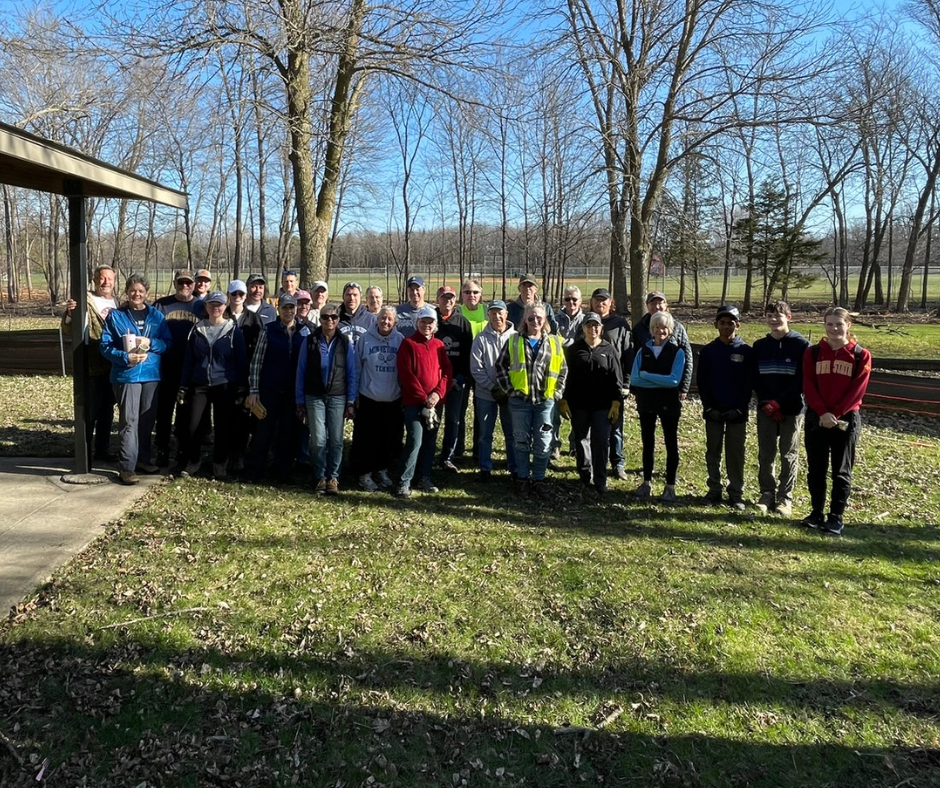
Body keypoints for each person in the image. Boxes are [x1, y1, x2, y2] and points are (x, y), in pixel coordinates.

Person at [800, 307, 872, 536]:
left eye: (838, 324)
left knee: (841, 470)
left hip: (846, 418)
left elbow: (857, 390)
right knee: (816, 468)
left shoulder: (861, 355)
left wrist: (837, 414)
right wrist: (822, 412)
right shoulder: (812, 353)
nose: (834, 329)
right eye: (829, 324)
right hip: (817, 418)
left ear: (848, 325)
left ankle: (836, 517)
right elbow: (808, 385)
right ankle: (816, 513)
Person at [99, 274, 171, 485]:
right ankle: (127, 467)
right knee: (129, 422)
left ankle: (143, 459)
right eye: (132, 290)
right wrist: (125, 357)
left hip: (151, 375)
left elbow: (167, 343)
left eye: (140, 291)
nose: (136, 294)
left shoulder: (156, 316)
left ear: (146, 293)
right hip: (126, 375)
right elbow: (105, 346)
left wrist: (151, 343)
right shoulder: (116, 316)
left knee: (147, 420)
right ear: (126, 292)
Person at [496, 302, 568, 500]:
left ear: (544, 320)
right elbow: (500, 366)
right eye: (530, 318)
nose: (535, 321)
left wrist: (557, 393)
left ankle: (539, 479)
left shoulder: (553, 342)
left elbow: (562, 369)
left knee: (544, 442)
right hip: (520, 402)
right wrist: (509, 390)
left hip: (545, 402)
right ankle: (522, 479)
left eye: (539, 318)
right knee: (520, 441)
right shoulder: (513, 341)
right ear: (524, 320)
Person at [179, 291, 249, 479]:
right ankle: (193, 461)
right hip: (199, 384)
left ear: (225, 307)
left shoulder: (232, 330)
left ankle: (219, 463)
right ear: (206, 307)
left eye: (219, 304)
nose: (215, 307)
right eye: (212, 304)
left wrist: (242, 386)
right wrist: (184, 385)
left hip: (224, 384)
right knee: (193, 426)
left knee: (223, 426)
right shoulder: (197, 329)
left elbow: (241, 360)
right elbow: (189, 359)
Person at [752, 300, 810, 517]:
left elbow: (801, 380)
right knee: (766, 453)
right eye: (770, 315)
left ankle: (785, 498)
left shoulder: (802, 345)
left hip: (792, 409)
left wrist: (781, 403)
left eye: (779, 315)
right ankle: (766, 493)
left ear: (789, 317)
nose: (774, 319)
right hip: (766, 408)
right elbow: (755, 378)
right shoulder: (759, 346)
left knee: (788, 454)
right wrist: (767, 402)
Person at [245, 294, 308, 483]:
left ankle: (283, 472)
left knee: (288, 433)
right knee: (263, 432)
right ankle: (254, 471)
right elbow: (256, 362)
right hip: (269, 389)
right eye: (285, 308)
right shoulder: (268, 330)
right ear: (278, 309)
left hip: (292, 391)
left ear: (296, 309)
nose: (288, 311)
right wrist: (254, 391)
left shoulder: (304, 332)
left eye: (292, 308)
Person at [296, 303, 357, 495]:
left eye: (333, 317)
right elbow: (301, 371)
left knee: (337, 440)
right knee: (318, 439)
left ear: (338, 320)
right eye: (325, 317)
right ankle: (320, 476)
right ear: (320, 319)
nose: (329, 320)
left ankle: (334, 477)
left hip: (338, 397)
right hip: (314, 396)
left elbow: (352, 372)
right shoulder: (310, 341)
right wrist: (299, 400)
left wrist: (351, 401)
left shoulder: (345, 342)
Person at [560, 312, 623, 499]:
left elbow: (616, 378)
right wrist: (564, 399)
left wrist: (616, 402)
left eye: (596, 326)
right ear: (583, 328)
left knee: (601, 441)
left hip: (602, 406)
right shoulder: (574, 350)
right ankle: (585, 473)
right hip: (579, 404)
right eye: (589, 325)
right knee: (581, 440)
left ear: (601, 328)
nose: (592, 329)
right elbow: (566, 377)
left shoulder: (609, 350)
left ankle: (600, 479)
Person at [697, 305, 752, 510]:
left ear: (737, 325)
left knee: (735, 453)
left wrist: (739, 408)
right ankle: (714, 490)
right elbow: (703, 382)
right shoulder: (709, 351)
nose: (726, 327)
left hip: (737, 413)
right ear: (716, 325)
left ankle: (736, 492)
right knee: (713, 451)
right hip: (714, 412)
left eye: (730, 323)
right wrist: (709, 407)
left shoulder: (745, 351)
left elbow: (749, 384)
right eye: (722, 323)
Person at [62, 264, 118, 464]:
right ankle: (84, 451)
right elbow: (68, 328)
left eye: (109, 279)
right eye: (102, 278)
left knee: (107, 410)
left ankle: (102, 449)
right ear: (94, 280)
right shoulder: (84, 300)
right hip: (92, 364)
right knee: (90, 409)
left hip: (112, 365)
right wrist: (69, 313)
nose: (106, 282)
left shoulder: (117, 303)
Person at [630, 311, 686, 503]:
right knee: (648, 443)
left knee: (671, 444)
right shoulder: (642, 350)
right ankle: (646, 482)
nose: (660, 331)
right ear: (651, 329)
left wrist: (646, 375)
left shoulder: (677, 352)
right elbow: (635, 379)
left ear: (670, 330)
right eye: (656, 327)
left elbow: (674, 380)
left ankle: (670, 486)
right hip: (646, 403)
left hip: (669, 404)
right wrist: (654, 380)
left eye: (664, 327)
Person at [396, 305, 452, 497]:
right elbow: (406, 375)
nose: (426, 326)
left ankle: (424, 477)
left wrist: (437, 395)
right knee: (415, 440)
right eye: (423, 322)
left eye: (430, 322)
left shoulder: (439, 345)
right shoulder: (408, 344)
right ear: (416, 322)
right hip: (414, 402)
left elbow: (446, 372)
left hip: (436, 403)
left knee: (430, 441)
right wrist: (424, 399)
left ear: (435, 325)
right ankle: (404, 481)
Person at [153, 269, 207, 467]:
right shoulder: (161, 305)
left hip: (191, 369)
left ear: (194, 285)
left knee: (186, 414)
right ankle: (162, 448)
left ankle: (183, 450)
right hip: (166, 367)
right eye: (181, 283)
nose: (185, 286)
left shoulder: (201, 306)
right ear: (175, 283)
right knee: (164, 412)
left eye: (188, 283)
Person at [354, 305, 404, 491]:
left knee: (386, 437)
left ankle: (381, 469)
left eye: (390, 319)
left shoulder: (400, 340)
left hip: (392, 398)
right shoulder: (365, 339)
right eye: (383, 318)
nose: (385, 321)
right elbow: (357, 367)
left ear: (395, 322)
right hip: (368, 397)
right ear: (377, 319)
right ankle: (364, 473)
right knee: (367, 438)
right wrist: (355, 395)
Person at [470, 300, 517, 482]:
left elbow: (519, 366)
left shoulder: (516, 337)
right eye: (493, 313)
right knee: (484, 434)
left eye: (500, 313)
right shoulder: (481, 339)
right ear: (488, 315)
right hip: (485, 395)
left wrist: (507, 389)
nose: (497, 316)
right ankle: (485, 467)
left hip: (510, 395)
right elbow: (476, 368)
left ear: (506, 315)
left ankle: (513, 466)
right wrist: (493, 387)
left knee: (511, 432)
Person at [590, 288, 632, 480]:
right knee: (592, 427)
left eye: (604, 300)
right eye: (597, 300)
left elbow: (628, 354)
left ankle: (618, 463)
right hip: (591, 383)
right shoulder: (586, 322)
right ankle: (592, 463)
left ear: (611, 302)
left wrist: (626, 382)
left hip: (613, 383)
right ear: (591, 302)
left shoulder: (620, 324)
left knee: (616, 427)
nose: (601, 303)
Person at [224, 279, 263, 472]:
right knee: (226, 417)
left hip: (246, 376)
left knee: (243, 418)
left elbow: (258, 348)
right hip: (224, 374)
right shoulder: (221, 315)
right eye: (234, 295)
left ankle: (240, 454)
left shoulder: (254, 319)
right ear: (229, 296)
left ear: (245, 296)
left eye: (241, 295)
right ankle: (225, 454)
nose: (237, 298)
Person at [435, 285, 474, 472]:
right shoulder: (430, 320)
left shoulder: (463, 323)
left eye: (451, 298)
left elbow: (468, 354)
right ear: (438, 300)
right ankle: (428, 453)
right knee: (433, 419)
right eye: (444, 298)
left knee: (453, 419)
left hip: (457, 381)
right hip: (434, 382)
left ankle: (447, 456)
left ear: (455, 300)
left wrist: (459, 378)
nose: (447, 301)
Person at [631, 291, 693, 397]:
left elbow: (687, 358)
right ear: (647, 305)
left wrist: (684, 387)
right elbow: (635, 359)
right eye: (653, 303)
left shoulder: (678, 327)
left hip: (670, 390)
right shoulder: (639, 328)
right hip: (645, 391)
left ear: (666, 305)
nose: (657, 306)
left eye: (660, 303)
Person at [338, 281, 376, 346]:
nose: (352, 298)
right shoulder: (335, 318)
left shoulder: (371, 320)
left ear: (360, 297)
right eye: (348, 295)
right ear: (343, 296)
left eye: (355, 295)